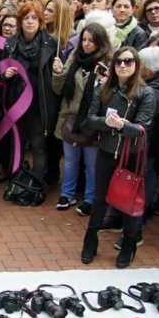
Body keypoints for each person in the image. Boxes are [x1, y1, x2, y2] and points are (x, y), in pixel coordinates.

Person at [80, 47, 155, 268]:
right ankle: (90, 242)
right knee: (100, 199)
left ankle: (128, 245)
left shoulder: (145, 93)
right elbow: (89, 119)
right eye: (119, 62)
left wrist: (123, 125)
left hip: (131, 155)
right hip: (106, 151)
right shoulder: (104, 88)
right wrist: (106, 122)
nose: (123, 65)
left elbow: (144, 127)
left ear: (136, 64)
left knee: (129, 202)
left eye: (128, 61)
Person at [52, 23, 113, 215]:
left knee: (91, 164)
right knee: (70, 160)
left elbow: (110, 95)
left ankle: (90, 198)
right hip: (69, 118)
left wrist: (104, 81)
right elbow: (58, 89)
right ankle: (67, 194)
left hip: (91, 121)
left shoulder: (108, 63)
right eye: (84, 40)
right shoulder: (73, 58)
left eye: (91, 41)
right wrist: (59, 72)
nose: (86, 44)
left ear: (100, 43)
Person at [5, 0, 60, 189]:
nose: (29, 21)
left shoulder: (52, 44)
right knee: (16, 144)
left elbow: (58, 79)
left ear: (40, 21)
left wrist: (58, 71)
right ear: (20, 21)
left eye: (34, 18)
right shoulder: (10, 44)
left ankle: (37, 184)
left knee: (38, 145)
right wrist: (6, 74)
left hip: (39, 104)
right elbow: (0, 70)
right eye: (26, 18)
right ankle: (15, 181)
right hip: (17, 103)